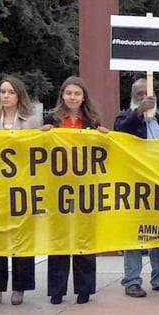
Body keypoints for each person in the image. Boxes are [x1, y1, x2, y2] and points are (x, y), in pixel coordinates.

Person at [42, 76, 109, 305]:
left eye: (77, 94)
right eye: (68, 93)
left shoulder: (92, 121)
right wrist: (43, 134)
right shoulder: (51, 120)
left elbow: (102, 151)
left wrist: (104, 138)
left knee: (84, 238)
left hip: (84, 188)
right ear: (62, 95)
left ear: (83, 97)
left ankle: (84, 289)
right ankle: (57, 290)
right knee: (59, 239)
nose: (72, 97)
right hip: (57, 187)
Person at [113, 79, 159, 298]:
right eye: (139, 94)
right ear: (133, 96)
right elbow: (121, 132)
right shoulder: (124, 117)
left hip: (158, 185)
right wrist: (138, 113)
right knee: (134, 233)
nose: (144, 97)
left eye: (147, 94)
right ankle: (132, 280)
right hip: (134, 185)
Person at [0, 76, 41, 305]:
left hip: (22, 188)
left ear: (19, 96)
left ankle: (20, 287)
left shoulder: (31, 122)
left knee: (22, 237)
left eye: (10, 92)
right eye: (2, 92)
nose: (5, 96)